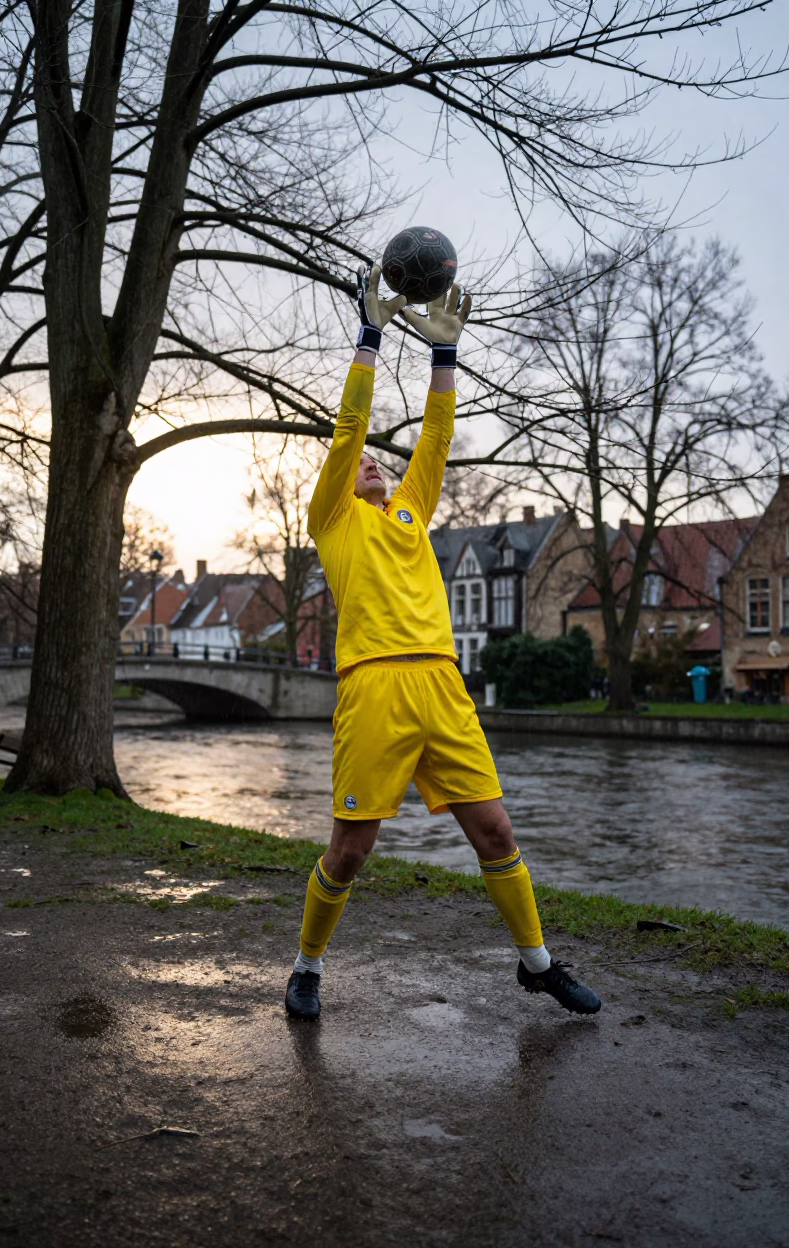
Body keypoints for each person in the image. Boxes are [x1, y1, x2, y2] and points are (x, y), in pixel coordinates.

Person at [284, 265, 600, 1022]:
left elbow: (436, 435)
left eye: (378, 465)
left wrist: (443, 355)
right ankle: (306, 967)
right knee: (350, 852)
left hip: (442, 687)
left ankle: (537, 965)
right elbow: (349, 428)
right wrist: (370, 337)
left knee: (495, 830)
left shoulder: (408, 513)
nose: (372, 463)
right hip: (373, 688)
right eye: (363, 462)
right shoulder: (332, 519)